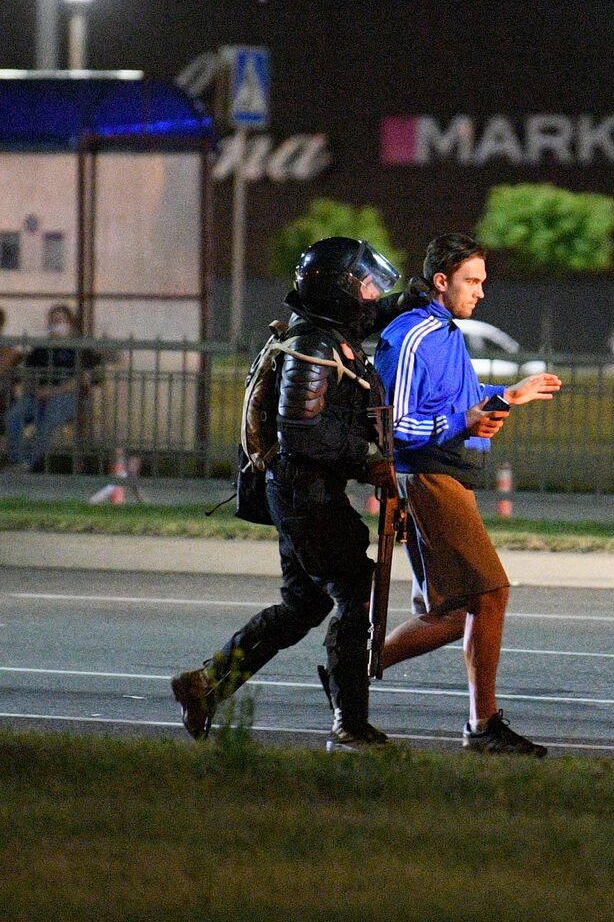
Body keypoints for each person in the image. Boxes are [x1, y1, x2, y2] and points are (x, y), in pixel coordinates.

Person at [171, 237, 428, 751]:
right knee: (354, 587)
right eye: (366, 287)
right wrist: (367, 458)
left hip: (301, 493)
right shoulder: (313, 348)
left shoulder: (328, 331)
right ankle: (350, 720)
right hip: (304, 496)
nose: (373, 297)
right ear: (338, 291)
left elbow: (367, 320)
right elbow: (301, 432)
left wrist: (408, 300)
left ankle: (204, 684)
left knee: (304, 603)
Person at [374, 232, 562, 756]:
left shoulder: (445, 332)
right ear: (441, 281)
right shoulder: (413, 335)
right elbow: (396, 425)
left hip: (445, 472)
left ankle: (352, 671)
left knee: (455, 613)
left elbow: (459, 402)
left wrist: (504, 398)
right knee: (491, 594)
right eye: (471, 281)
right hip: (427, 475)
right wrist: (465, 421)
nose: (480, 291)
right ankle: (482, 727)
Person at [4, 304, 95, 470]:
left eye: (60, 320)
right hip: (37, 396)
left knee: (48, 419)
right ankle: (17, 459)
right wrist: (37, 390)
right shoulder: (40, 349)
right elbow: (28, 376)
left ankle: (26, 462)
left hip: (67, 397)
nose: (56, 324)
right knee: (13, 416)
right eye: (53, 321)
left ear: (70, 323)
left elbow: (82, 380)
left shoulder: (81, 348)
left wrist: (53, 391)